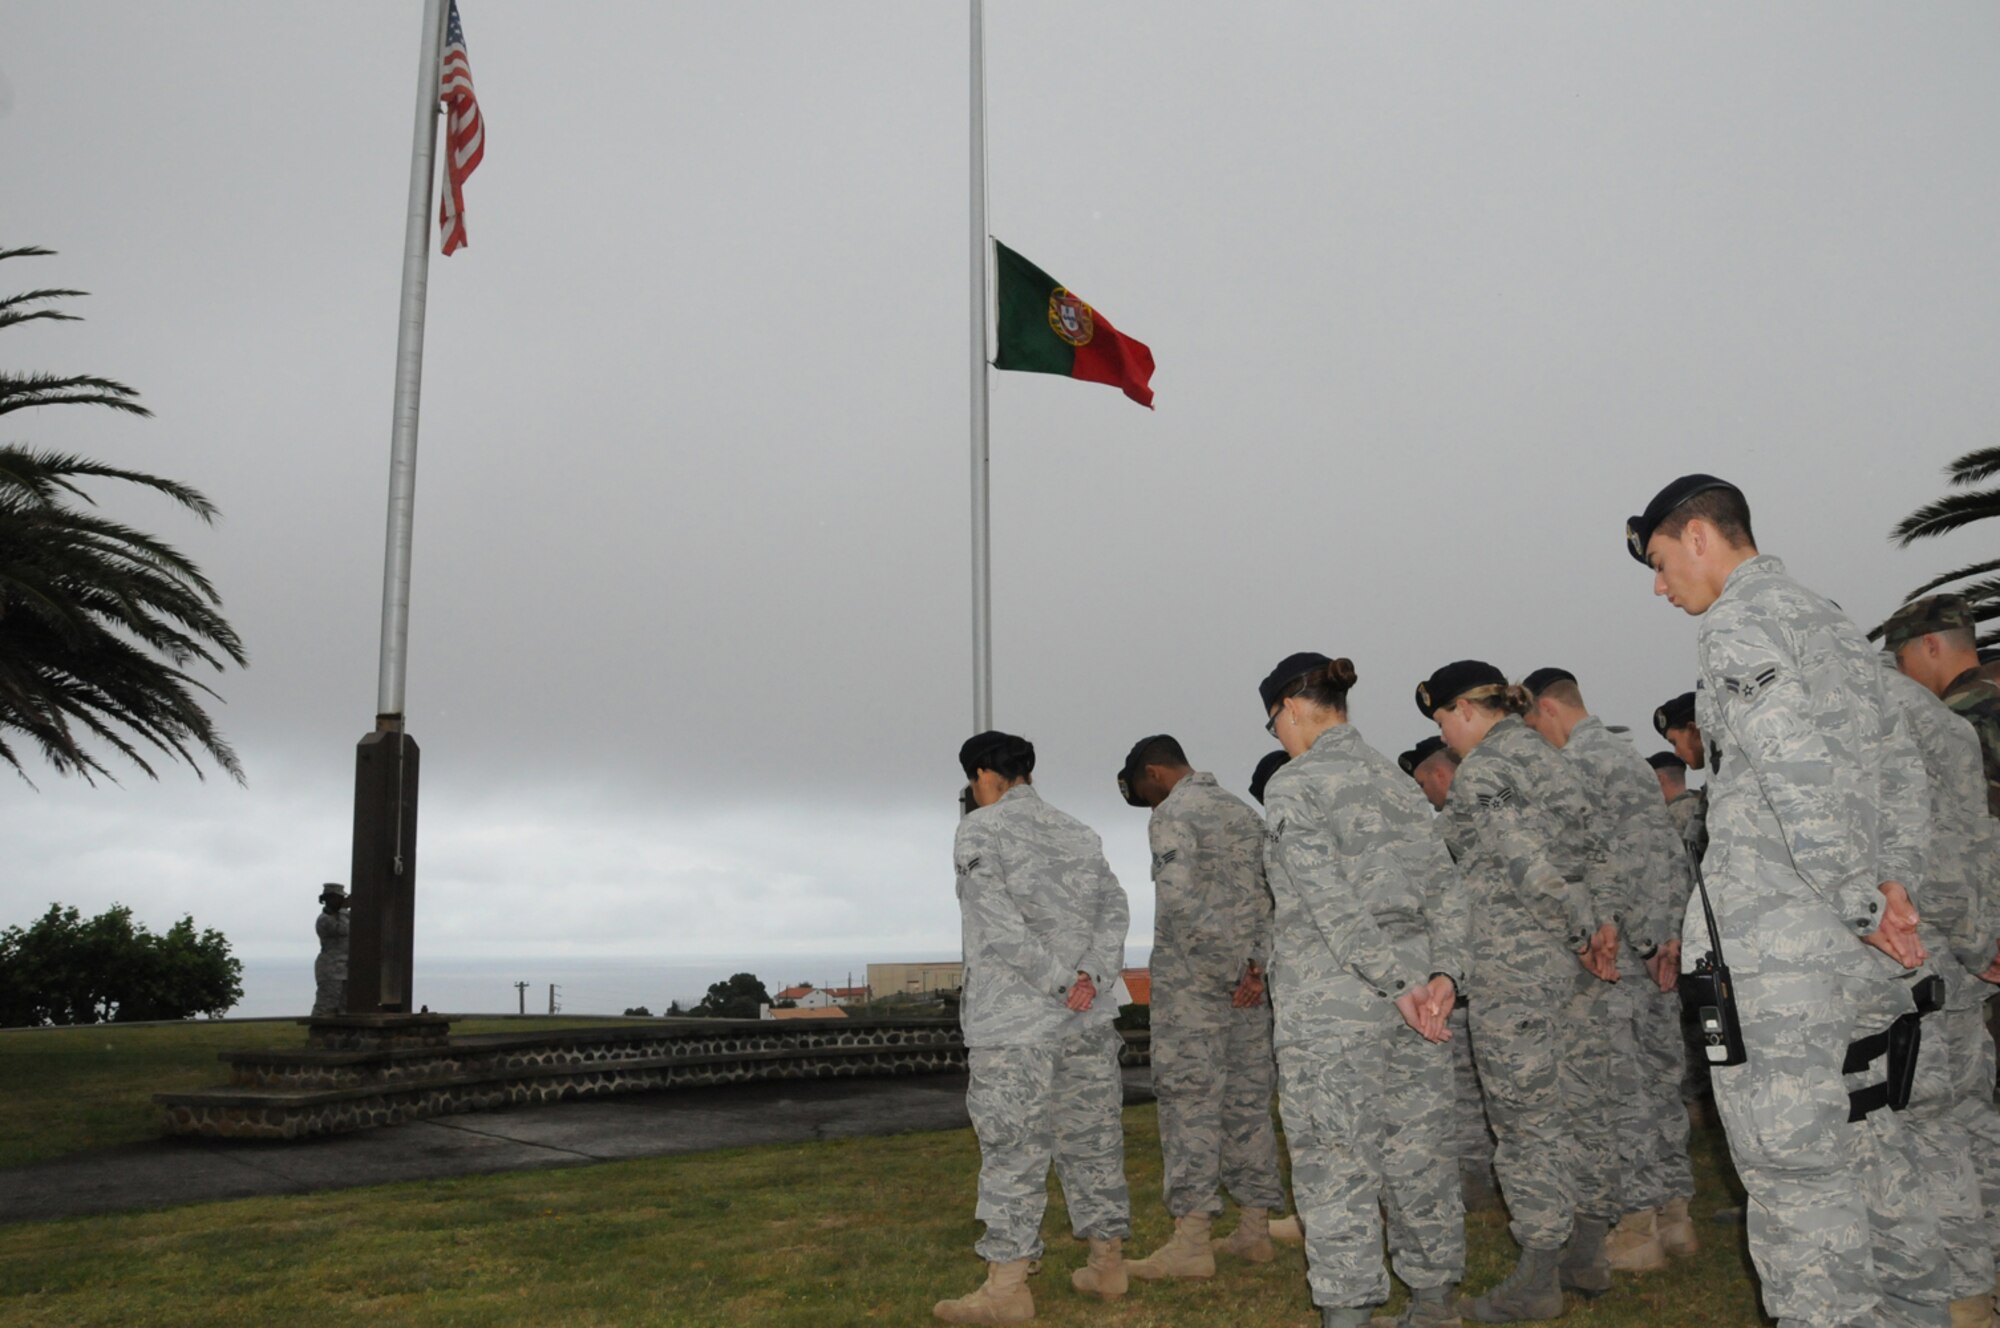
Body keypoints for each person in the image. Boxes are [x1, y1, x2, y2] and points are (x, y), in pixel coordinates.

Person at [1628, 473, 1950, 1327]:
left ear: (1700, 536)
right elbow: (1906, 772)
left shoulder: (1739, 622)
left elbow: (1793, 768)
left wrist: (1861, 900)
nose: (1661, 588)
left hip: (1780, 962)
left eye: (1660, 563)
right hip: (1859, 957)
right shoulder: (1835, 625)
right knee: (1876, 1155)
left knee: (1797, 1181)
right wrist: (1893, 892)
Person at [1259, 652, 1465, 1328]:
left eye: (1274, 725)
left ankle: (1347, 1316)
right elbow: (1446, 889)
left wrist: (1400, 981)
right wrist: (1443, 978)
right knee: (1420, 1154)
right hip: (1419, 1008)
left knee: (1335, 1161)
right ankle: (1433, 1306)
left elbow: (1329, 902)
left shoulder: (1294, 785)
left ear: (1289, 710)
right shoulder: (1398, 782)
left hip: (1336, 1007)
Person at [1419, 660, 1622, 1321]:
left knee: (1526, 1122)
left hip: (1516, 969)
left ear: (1467, 711)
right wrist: (1600, 926)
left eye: (1444, 719)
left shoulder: (1486, 773)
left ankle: (1538, 1279)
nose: (1445, 735)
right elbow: (1597, 848)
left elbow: (1521, 853)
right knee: (1579, 1102)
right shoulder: (1554, 756)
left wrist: (1580, 922)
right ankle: (1588, 1253)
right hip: (1572, 966)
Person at [936, 731, 1132, 1324]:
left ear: (982, 776)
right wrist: (1089, 977)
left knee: (1013, 1148)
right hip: (1087, 1017)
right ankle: (1107, 1263)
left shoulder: (979, 830)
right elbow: (1116, 908)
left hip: (1016, 1022)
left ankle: (1008, 1288)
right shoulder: (1078, 832)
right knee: (1092, 1141)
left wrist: (1056, 981)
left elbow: (995, 922)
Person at [1520, 668, 1698, 1271]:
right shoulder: (1625, 759)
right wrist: (1668, 940)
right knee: (1657, 1082)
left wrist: (1644, 944)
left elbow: (1609, 866)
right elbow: (1667, 857)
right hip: (1655, 945)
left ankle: (1637, 1227)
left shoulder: (1580, 765)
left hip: (1618, 952)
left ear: (1546, 709)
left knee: (1619, 1090)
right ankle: (1675, 1219)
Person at [1114, 733, 1294, 1278]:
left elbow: (1179, 902)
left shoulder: (1173, 814)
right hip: (1250, 990)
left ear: (1154, 773)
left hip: (1198, 991)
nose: (1147, 801)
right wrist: (1255, 968)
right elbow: (1274, 898)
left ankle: (1192, 1241)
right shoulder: (1244, 814)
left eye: (1144, 791)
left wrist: (1227, 971)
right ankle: (1254, 1229)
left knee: (1189, 1105)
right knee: (1247, 1105)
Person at [1880, 666, 2000, 1324]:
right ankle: (1981, 1275)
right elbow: (1976, 838)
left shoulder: (1879, 715)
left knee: (1927, 1128)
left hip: (1919, 954)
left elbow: (1943, 852)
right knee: (1968, 1117)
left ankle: (1963, 1291)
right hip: (1959, 944)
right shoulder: (1940, 719)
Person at [1399, 735, 1502, 1215]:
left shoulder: (1453, 829)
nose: (1424, 794)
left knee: (1467, 1085)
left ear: (1440, 775)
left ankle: (1476, 1180)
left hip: (1469, 975)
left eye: (1423, 783)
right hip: (1484, 970)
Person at [1882, 594, 2000, 816]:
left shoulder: (1953, 721)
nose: (1900, 672)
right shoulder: (1989, 700)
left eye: (1901, 659)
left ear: (1931, 646)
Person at [312, 883, 349, 1018]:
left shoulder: (341, 916)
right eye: (339, 898)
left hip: (344, 968)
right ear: (329, 899)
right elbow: (343, 930)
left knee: (343, 1007)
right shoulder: (324, 920)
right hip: (330, 969)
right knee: (326, 1005)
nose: (341, 901)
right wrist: (345, 910)